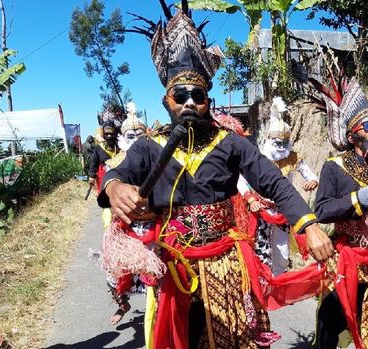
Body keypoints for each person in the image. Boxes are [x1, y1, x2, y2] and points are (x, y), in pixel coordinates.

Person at [97, 10, 333, 349]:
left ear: (209, 100)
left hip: (226, 265)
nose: (190, 102)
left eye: (199, 95)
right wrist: (115, 186)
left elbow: (275, 183)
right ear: (166, 99)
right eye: (181, 96)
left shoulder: (231, 143)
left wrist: (308, 225)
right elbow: (117, 174)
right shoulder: (150, 146)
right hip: (175, 265)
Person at [306, 55, 368, 349]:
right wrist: (357, 200)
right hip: (346, 260)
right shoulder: (334, 166)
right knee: (331, 326)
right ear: (353, 136)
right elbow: (322, 210)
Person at [241, 97, 319, 275]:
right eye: (278, 143)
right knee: (261, 250)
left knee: (282, 251)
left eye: (285, 143)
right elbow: (242, 179)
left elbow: (310, 174)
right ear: (269, 140)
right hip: (261, 209)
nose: (282, 148)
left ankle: (279, 282)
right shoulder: (258, 157)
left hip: (283, 210)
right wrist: (250, 198)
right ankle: (263, 284)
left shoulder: (293, 157)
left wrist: (312, 181)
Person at [102, 103, 152, 326]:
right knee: (116, 274)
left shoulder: (154, 160)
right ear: (123, 137)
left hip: (154, 226)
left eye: (140, 135)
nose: (136, 139)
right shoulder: (114, 164)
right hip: (124, 225)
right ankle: (123, 304)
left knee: (156, 279)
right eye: (131, 135)